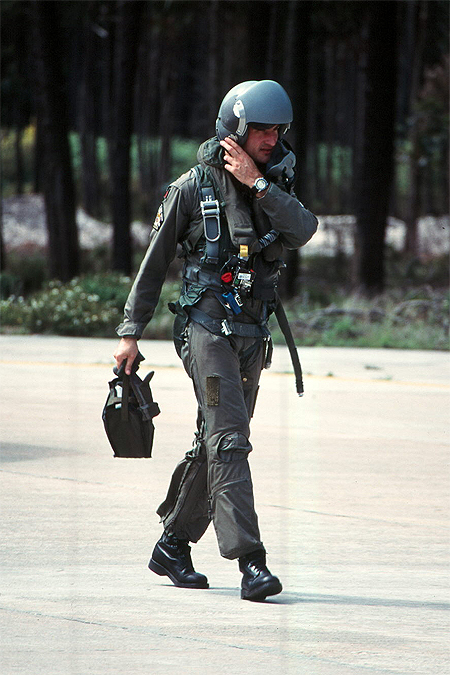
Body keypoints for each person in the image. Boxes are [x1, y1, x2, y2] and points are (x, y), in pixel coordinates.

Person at [114, 80, 318, 601]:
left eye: (278, 129)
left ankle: (173, 545)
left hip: (253, 332)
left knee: (219, 441)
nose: (272, 138)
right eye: (262, 129)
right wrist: (130, 332)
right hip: (205, 328)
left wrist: (259, 184)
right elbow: (153, 264)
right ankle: (251, 561)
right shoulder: (191, 188)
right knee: (230, 440)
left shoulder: (275, 182)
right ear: (236, 129)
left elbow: (303, 230)